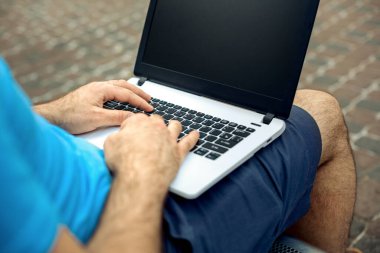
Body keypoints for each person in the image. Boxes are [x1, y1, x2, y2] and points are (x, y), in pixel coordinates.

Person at [0, 57, 356, 253]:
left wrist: (52, 112)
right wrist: (141, 173)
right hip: (146, 222)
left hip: (103, 168)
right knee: (321, 110)